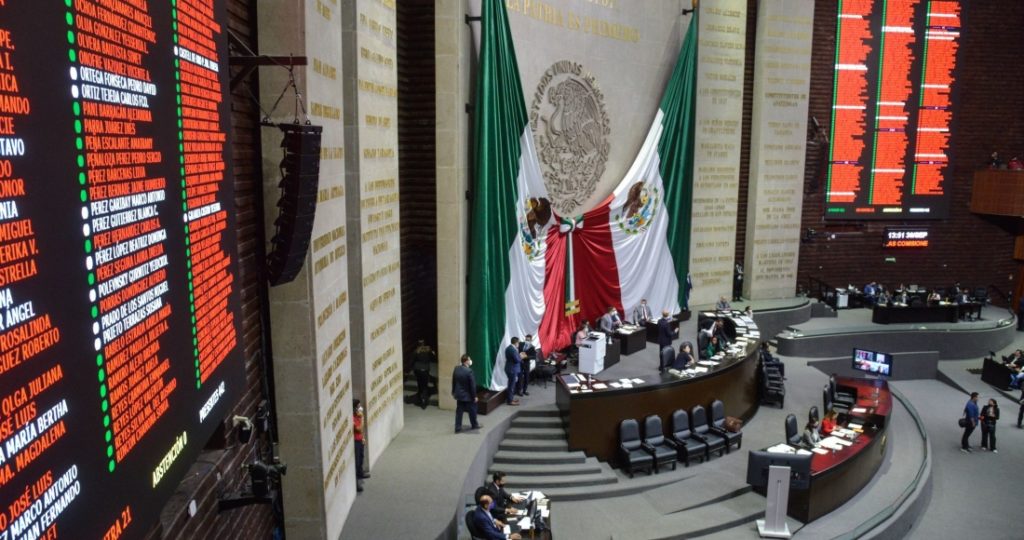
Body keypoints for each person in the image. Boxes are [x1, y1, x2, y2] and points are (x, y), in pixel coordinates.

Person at [452, 354, 480, 433]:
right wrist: (474, 396)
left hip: (459, 395)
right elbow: (472, 386)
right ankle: (474, 425)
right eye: (469, 359)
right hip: (468, 396)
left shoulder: (456, 369)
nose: (470, 361)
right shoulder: (469, 371)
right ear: (466, 361)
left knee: (459, 412)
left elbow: (454, 381)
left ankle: (457, 428)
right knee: (472, 411)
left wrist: (454, 391)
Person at [411, 340, 435, 409]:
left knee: (420, 384)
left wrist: (413, 369)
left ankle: (420, 399)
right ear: (424, 344)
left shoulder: (416, 351)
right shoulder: (428, 350)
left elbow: (412, 361)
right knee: (425, 385)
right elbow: (433, 358)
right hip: (425, 370)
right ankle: (424, 401)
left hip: (418, 371)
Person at [353, 399, 368, 491]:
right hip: (355, 442)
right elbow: (358, 429)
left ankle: (361, 473)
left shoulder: (357, 416)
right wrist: (362, 418)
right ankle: (357, 482)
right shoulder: (353, 417)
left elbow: (361, 431)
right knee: (357, 461)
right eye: (358, 406)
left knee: (361, 457)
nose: (360, 408)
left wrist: (363, 438)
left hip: (360, 439)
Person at [504, 338, 522, 406]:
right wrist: (521, 357)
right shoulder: (512, 350)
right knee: (511, 385)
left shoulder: (509, 348)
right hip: (512, 369)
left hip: (509, 368)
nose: (519, 344)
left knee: (510, 384)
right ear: (516, 342)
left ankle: (510, 398)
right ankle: (510, 401)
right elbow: (517, 360)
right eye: (518, 343)